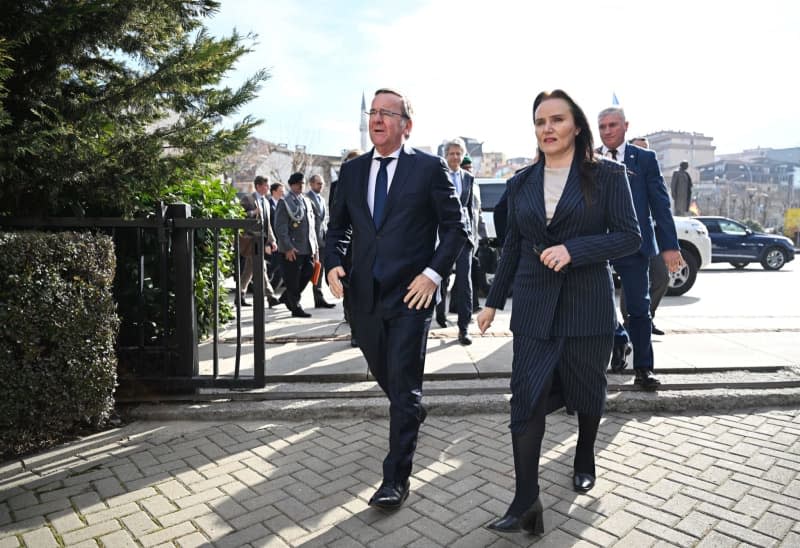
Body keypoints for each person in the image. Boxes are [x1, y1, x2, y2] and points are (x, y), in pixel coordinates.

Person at [477, 89, 641, 535]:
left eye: (556, 120)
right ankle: (526, 501)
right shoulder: (521, 182)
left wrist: (575, 250)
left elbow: (630, 237)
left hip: (587, 304)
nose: (547, 129)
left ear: (576, 126)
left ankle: (585, 452)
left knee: (588, 390)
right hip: (533, 308)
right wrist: (493, 301)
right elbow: (512, 244)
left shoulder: (607, 176)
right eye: (539, 121)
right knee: (524, 400)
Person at [326, 88, 467, 510]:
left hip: (412, 296)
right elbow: (338, 229)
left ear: (407, 125)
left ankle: (395, 480)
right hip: (364, 296)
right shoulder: (350, 173)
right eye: (373, 111)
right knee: (385, 373)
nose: (377, 118)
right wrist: (332, 261)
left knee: (403, 387)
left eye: (388, 112)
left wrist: (432, 274)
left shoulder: (428, 169)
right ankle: (412, 408)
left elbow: (457, 229)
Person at [597, 106, 684, 388]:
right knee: (597, 307)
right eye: (602, 126)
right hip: (597, 245)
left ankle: (643, 369)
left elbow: (660, 202)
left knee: (639, 308)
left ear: (625, 126)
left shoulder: (644, 159)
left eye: (612, 125)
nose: (607, 130)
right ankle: (619, 340)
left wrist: (669, 245)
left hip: (635, 244)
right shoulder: (590, 159)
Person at [622, 137, 669, 336]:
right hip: (626, 236)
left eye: (647, 150)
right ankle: (630, 322)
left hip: (650, 236)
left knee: (662, 277)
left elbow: (661, 203)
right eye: (639, 149)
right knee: (630, 281)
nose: (644, 154)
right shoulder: (621, 172)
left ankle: (646, 318)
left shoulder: (651, 170)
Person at [435, 138, 474, 345]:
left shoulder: (468, 178)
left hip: (464, 237)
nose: (455, 157)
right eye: (452, 153)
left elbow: (469, 209)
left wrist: (473, 236)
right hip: (444, 236)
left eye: (459, 153)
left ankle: (464, 327)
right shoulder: (438, 177)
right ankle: (440, 314)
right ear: (445, 154)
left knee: (464, 282)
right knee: (441, 277)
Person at [329, 149, 363, 347]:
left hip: (369, 246)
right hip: (347, 247)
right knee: (350, 289)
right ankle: (355, 330)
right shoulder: (337, 186)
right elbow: (337, 220)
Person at [274, 172, 318, 318]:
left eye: (303, 183)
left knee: (309, 271)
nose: (301, 186)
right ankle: (295, 306)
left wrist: (315, 247)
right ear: (291, 184)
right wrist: (287, 247)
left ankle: (288, 297)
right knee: (292, 279)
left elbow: (311, 226)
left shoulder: (306, 201)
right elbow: (280, 227)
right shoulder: (284, 201)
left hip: (306, 247)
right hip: (292, 248)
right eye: (298, 183)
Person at [238, 175, 280, 308]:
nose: (268, 188)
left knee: (249, 271)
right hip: (250, 240)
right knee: (261, 268)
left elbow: (267, 225)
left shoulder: (266, 202)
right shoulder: (248, 199)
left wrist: (272, 240)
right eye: (266, 185)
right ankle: (271, 296)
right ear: (258, 186)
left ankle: (240, 295)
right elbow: (239, 215)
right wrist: (253, 212)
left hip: (261, 240)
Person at [306, 174, 335, 309]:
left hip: (323, 240)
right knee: (307, 272)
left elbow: (324, 220)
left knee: (320, 269)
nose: (321, 186)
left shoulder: (322, 200)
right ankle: (289, 297)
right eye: (318, 183)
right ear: (311, 184)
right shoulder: (307, 199)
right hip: (310, 241)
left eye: (322, 184)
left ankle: (319, 298)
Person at [267, 182, 286, 291]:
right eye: (280, 191)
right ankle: (268, 288)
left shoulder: (283, 203)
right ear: (274, 192)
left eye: (283, 191)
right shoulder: (269, 204)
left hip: (281, 242)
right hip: (273, 242)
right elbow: (267, 225)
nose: (282, 193)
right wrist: (269, 243)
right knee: (273, 267)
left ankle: (272, 292)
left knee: (280, 267)